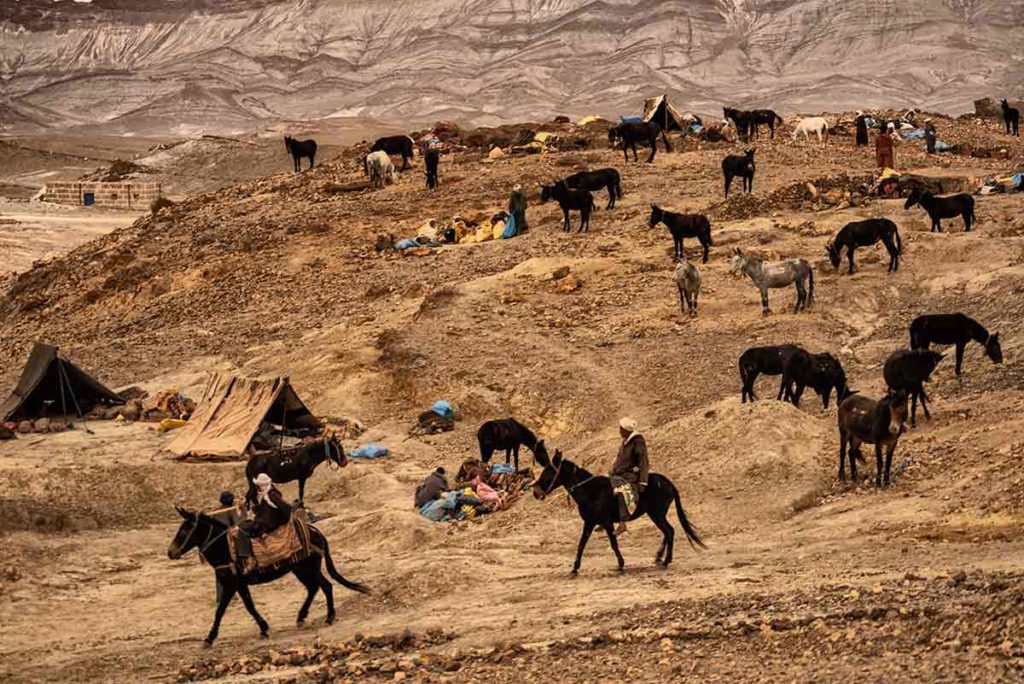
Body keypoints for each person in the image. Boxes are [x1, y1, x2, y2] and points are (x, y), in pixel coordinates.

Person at [236, 473, 292, 573]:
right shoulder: (266, 495)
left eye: (258, 485)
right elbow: (267, 510)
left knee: (242, 530)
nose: (257, 488)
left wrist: (279, 523)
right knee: (242, 524)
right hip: (262, 522)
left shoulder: (273, 496)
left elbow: (286, 509)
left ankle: (249, 558)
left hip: (265, 525)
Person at [609, 417, 649, 536]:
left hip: (629, 477)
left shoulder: (638, 441)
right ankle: (606, 519)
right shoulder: (626, 441)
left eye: (621, 429)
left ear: (627, 430)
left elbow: (643, 461)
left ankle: (622, 524)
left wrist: (643, 481)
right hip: (618, 475)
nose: (619, 431)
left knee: (621, 492)